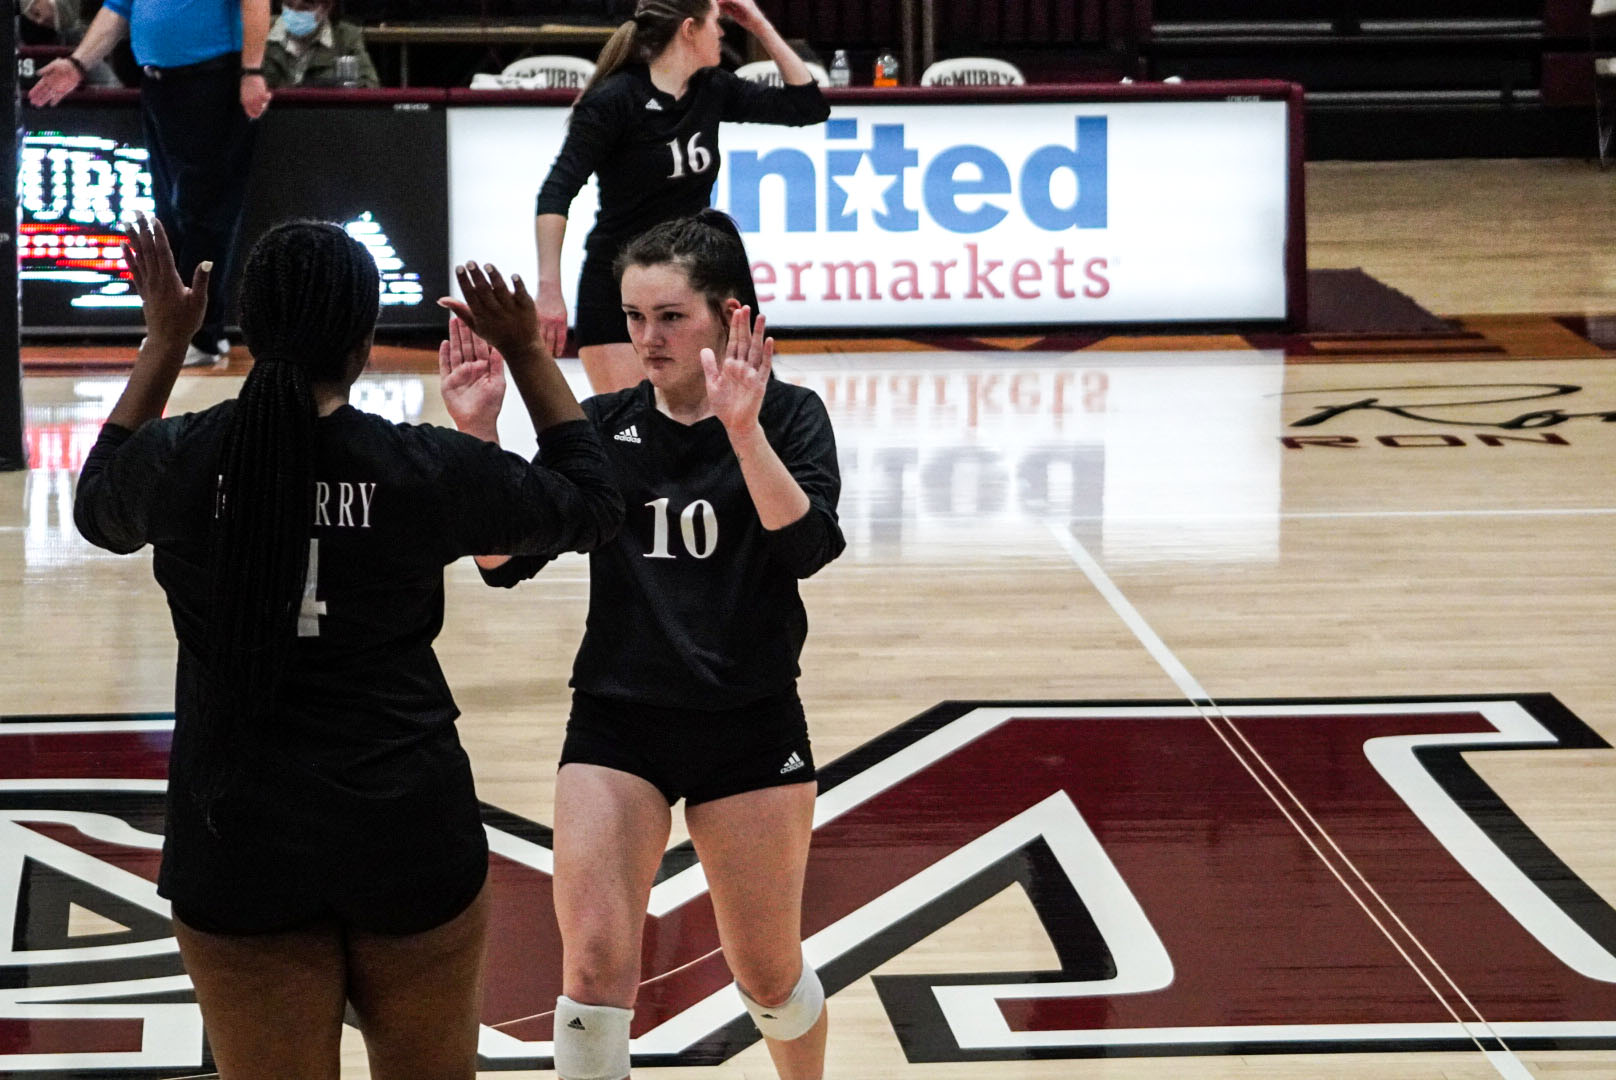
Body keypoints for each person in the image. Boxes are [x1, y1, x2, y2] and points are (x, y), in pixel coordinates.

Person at [73, 215, 623, 1080]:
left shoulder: (183, 459)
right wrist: (525, 351)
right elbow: (594, 504)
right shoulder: (422, 466)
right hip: (404, 823)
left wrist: (165, 343)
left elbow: (95, 506)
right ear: (364, 342)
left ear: (250, 331)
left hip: (235, 835)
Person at [442, 209, 843, 1080]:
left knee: (768, 973)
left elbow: (806, 546)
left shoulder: (792, 416)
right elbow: (501, 560)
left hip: (749, 720)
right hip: (619, 722)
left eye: (671, 317)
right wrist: (478, 436)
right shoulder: (604, 425)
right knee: (590, 971)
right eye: (632, 318)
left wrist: (742, 431)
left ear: (730, 316)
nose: (647, 339)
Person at [533, 0, 829, 396]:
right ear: (689, 30)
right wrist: (549, 289)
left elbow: (807, 106)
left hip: (694, 281)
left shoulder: (711, 88)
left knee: (736, 416)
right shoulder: (615, 99)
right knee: (631, 434)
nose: (723, 33)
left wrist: (758, 22)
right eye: (715, 24)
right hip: (620, 287)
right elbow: (556, 191)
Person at [30, 0, 272, 368]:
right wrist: (77, 64)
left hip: (212, 80)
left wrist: (251, 71)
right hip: (158, 85)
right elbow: (117, 10)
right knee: (171, 213)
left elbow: (255, 3)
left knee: (204, 211)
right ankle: (186, 329)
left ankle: (199, 335)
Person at [262, 0, 379, 89]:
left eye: (304, 8)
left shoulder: (347, 37)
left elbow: (369, 85)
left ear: (326, 7)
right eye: (289, 6)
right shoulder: (261, 31)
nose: (294, 14)